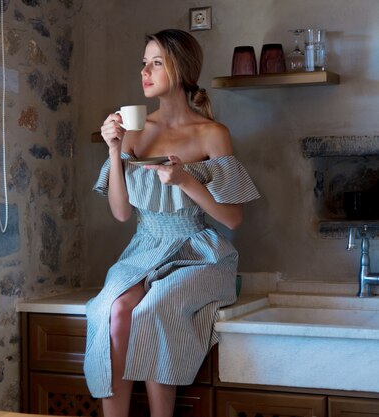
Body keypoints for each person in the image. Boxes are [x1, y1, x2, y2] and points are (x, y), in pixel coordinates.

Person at [83, 29, 260, 417]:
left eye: (156, 63)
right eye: (143, 63)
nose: (145, 71)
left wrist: (185, 181)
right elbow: (121, 213)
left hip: (198, 252)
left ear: (180, 70)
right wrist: (114, 150)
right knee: (111, 309)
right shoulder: (132, 132)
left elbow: (233, 217)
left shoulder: (212, 134)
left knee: (154, 310)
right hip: (144, 248)